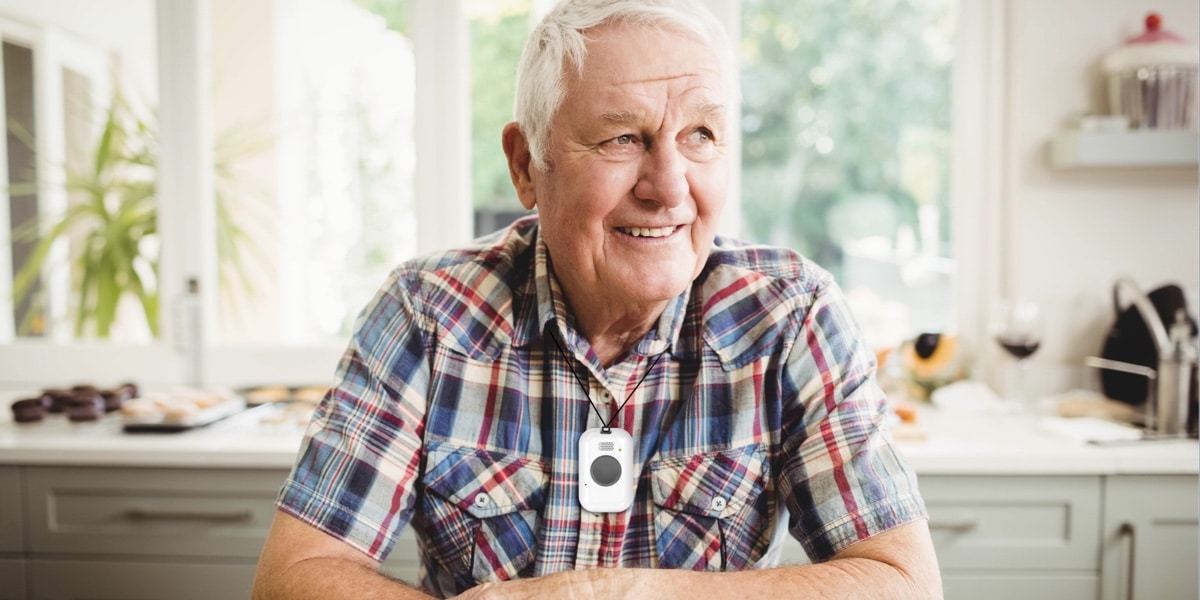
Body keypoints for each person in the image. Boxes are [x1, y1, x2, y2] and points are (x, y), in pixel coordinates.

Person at [253, 0, 942, 598]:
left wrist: (618, 592)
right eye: (623, 138)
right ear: (527, 166)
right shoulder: (427, 314)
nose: (669, 187)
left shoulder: (791, 316)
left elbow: (902, 583)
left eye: (699, 135)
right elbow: (297, 576)